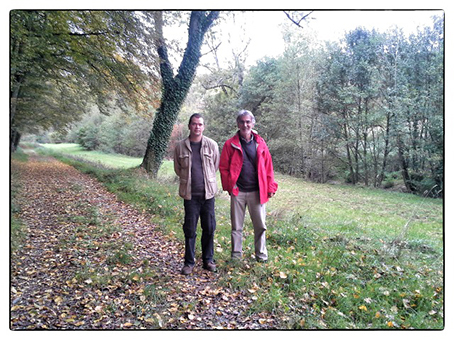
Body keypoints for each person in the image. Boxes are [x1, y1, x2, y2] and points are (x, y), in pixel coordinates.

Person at [219, 110, 278, 262]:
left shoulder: (261, 143)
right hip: (238, 192)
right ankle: (236, 256)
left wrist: (270, 188)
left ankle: (261, 255)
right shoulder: (230, 144)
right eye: (242, 122)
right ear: (238, 124)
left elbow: (268, 167)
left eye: (248, 122)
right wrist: (229, 187)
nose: (245, 125)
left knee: (260, 226)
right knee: (236, 227)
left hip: (257, 192)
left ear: (252, 123)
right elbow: (223, 167)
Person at [174, 113, 220, 275]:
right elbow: (178, 169)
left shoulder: (212, 145)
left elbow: (214, 166)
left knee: (209, 227)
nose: (197, 127)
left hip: (208, 195)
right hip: (190, 196)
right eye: (194, 124)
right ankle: (189, 262)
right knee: (190, 229)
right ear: (189, 126)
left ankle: (208, 260)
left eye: (200, 124)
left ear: (204, 126)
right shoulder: (180, 146)